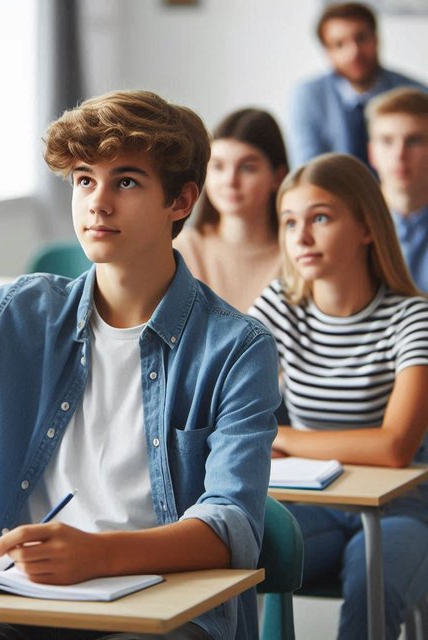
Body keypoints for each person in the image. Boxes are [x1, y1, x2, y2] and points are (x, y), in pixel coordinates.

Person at [0, 49, 280, 640]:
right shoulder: (28, 312)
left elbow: (230, 526)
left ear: (182, 201)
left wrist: (98, 553)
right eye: (85, 180)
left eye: (127, 181)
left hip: (167, 615)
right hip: (23, 605)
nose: (98, 201)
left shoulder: (237, 347)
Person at [249, 152, 428, 640]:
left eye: (320, 218)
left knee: (376, 585)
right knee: (232, 556)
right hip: (314, 503)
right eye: (289, 222)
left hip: (402, 510)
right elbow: (225, 408)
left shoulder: (413, 318)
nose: (301, 238)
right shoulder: (279, 307)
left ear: (367, 227)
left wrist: (284, 435)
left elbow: (394, 449)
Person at [173, 108, 288, 312]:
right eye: (218, 166)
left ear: (278, 177)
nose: (230, 181)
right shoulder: (182, 248)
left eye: (247, 168)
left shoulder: (297, 254)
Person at [288, 2, 426, 169]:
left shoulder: (416, 94)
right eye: (339, 44)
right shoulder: (308, 97)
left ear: (376, 39)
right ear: (328, 52)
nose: (354, 52)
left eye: (361, 38)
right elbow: (308, 170)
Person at [367, 87, 428, 291]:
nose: (399, 154)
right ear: (372, 153)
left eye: (414, 140)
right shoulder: (351, 225)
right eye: (387, 141)